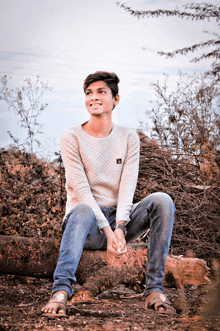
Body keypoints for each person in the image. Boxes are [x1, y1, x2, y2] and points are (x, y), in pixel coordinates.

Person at [41, 71, 175, 317]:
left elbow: (127, 185)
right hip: (87, 224)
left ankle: (154, 289)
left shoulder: (128, 137)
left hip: (119, 219)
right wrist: (107, 229)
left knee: (162, 201)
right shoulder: (71, 136)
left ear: (116, 99)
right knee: (81, 209)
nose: (93, 97)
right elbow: (80, 190)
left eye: (101, 92)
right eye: (89, 93)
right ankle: (61, 290)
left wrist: (121, 227)